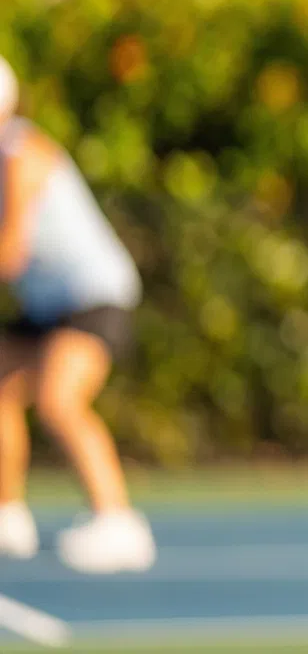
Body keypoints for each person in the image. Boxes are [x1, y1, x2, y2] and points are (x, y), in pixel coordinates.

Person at [0, 56, 154, 573]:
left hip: (94, 296)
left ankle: (120, 523)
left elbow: (11, 251)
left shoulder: (23, 154)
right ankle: (8, 516)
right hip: (48, 305)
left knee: (57, 399)